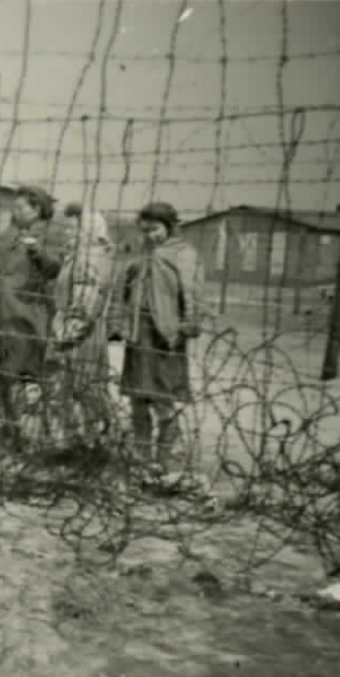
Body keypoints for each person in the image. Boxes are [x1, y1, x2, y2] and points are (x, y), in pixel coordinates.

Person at [112, 201, 205, 477]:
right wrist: (117, 325)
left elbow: (192, 293)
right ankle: (142, 458)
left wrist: (188, 324)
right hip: (139, 338)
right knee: (138, 400)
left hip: (166, 337)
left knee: (164, 401)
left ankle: (163, 460)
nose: (150, 236)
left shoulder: (184, 255)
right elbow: (122, 294)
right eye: (144, 231)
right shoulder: (140, 259)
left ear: (169, 227)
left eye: (154, 230)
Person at [0, 184, 69, 422]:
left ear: (36, 209)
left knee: (22, 371)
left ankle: (33, 429)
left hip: (27, 314)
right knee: (0, 374)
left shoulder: (49, 233)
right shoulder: (8, 234)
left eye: (20, 207)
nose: (15, 211)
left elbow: (54, 269)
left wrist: (37, 252)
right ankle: (7, 426)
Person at [49, 208, 116, 445]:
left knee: (80, 388)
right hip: (79, 331)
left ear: (89, 230)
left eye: (75, 227)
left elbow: (86, 303)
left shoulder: (88, 258)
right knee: (78, 389)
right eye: (68, 227)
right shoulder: (81, 255)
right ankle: (84, 440)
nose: (69, 232)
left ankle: (86, 442)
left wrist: (65, 332)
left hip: (78, 336)